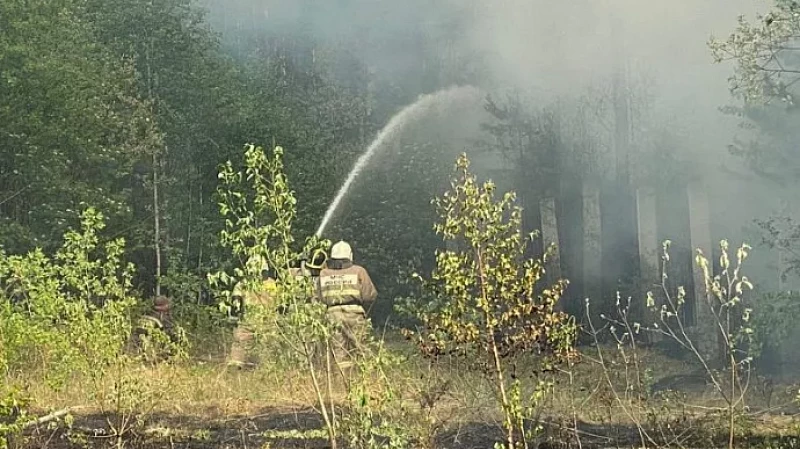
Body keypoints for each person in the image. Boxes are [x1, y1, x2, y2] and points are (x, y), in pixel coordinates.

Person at [317, 241, 377, 369]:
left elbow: (318, 297)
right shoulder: (359, 271)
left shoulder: (324, 274)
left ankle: (342, 382)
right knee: (362, 349)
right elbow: (370, 295)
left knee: (338, 352)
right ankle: (366, 382)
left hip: (332, 316)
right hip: (355, 314)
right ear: (350, 256)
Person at [227, 256, 277, 369]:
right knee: (267, 349)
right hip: (268, 323)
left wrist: (233, 320)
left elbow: (236, 304)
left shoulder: (243, 284)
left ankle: (238, 367)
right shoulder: (273, 284)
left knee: (239, 345)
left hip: (249, 322)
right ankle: (265, 369)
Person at [130, 295, 177, 361]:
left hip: (138, 349)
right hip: (152, 351)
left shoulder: (145, 315)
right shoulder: (160, 318)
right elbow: (170, 334)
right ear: (162, 309)